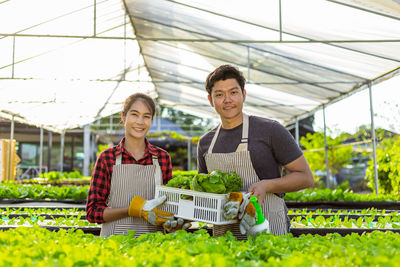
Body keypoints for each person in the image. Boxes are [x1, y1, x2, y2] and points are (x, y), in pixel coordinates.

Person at [197, 65, 314, 239]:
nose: (227, 99)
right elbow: (204, 194)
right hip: (225, 236)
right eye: (219, 94)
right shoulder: (206, 143)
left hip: (268, 227)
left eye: (233, 92)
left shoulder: (270, 130)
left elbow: (306, 177)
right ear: (210, 100)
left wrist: (267, 185)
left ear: (243, 95)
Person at [86, 93, 190, 237]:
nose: (140, 121)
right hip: (114, 245)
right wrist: (134, 209)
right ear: (123, 116)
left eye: (146, 116)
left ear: (151, 121)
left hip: (153, 243)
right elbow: (93, 212)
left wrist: (177, 219)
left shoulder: (162, 158)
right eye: (134, 114)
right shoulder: (107, 158)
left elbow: (169, 205)